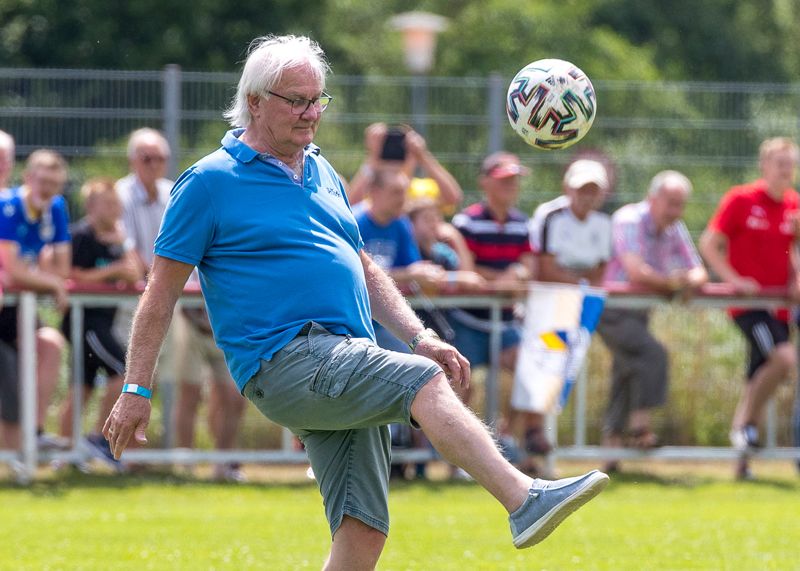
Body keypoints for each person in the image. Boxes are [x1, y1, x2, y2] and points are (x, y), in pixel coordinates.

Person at [102, 35, 608, 568]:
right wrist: (136, 387)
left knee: (363, 529)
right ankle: (523, 498)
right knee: (422, 380)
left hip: (346, 356)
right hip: (285, 360)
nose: (310, 113)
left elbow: (365, 268)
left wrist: (420, 335)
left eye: (317, 100)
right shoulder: (207, 182)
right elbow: (157, 296)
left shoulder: (321, 170)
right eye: (295, 100)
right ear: (254, 101)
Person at [699, 137, 800, 480]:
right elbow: (710, 243)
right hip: (749, 306)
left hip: (779, 308)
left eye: (791, 164)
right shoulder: (741, 199)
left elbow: (795, 250)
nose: (786, 170)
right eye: (780, 163)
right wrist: (734, 279)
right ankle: (743, 427)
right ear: (764, 165)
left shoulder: (794, 206)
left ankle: (741, 462)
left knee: (757, 375)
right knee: (783, 359)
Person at [599, 170, 707, 472]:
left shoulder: (675, 228)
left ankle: (611, 456)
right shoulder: (629, 219)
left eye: (680, 205)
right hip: (612, 308)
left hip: (639, 310)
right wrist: (674, 285)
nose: (675, 212)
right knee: (652, 354)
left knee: (626, 371)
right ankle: (639, 427)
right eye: (671, 203)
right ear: (653, 197)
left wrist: (685, 281)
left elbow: (698, 270)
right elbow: (637, 271)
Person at [516, 159, 612, 460]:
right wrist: (581, 283)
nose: (587, 196)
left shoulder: (602, 223)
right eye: (582, 188)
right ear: (568, 188)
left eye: (593, 190)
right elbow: (545, 270)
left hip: (578, 306)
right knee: (543, 366)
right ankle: (527, 437)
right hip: (547, 306)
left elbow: (600, 270)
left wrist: (578, 283)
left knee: (559, 370)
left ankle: (528, 446)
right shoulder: (551, 216)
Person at [451, 152, 542, 458]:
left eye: (514, 181)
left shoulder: (521, 224)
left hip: (504, 322)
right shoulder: (467, 222)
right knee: (460, 384)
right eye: (504, 180)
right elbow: (466, 268)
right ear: (485, 183)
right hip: (468, 321)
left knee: (529, 370)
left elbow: (528, 267)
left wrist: (513, 274)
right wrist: (505, 278)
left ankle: (508, 437)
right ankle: (459, 454)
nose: (511, 186)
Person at [58, 178, 143, 468]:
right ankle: (96, 439)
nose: (115, 210)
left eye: (117, 204)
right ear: (92, 206)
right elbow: (70, 274)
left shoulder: (118, 238)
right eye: (108, 204)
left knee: (82, 387)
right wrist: (111, 272)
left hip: (102, 321)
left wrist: (124, 246)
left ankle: (68, 455)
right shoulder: (81, 235)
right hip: (86, 322)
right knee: (123, 373)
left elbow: (134, 272)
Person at [0, 149, 71, 450]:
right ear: (28, 178)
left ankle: (36, 430)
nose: (47, 190)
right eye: (42, 182)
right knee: (9, 380)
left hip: (17, 308)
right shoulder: (7, 205)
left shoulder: (55, 207)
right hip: (6, 302)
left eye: (54, 184)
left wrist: (47, 277)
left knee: (51, 344)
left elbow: (63, 269)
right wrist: (51, 282)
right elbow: (13, 269)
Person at [355, 167, 446, 352]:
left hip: (385, 324)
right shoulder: (354, 221)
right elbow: (355, 274)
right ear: (374, 192)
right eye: (396, 192)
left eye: (405, 192)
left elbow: (415, 269)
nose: (402, 199)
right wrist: (408, 274)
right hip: (356, 323)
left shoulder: (401, 224)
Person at [173, 273, 248, 483]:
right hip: (193, 328)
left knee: (235, 399)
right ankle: (185, 466)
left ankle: (222, 464)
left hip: (225, 333)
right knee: (190, 395)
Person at [348, 122, 464, 210]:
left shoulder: (422, 189)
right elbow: (349, 205)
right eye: (387, 147)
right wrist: (372, 158)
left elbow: (453, 198)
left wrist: (423, 157)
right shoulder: (374, 189)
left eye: (403, 149)